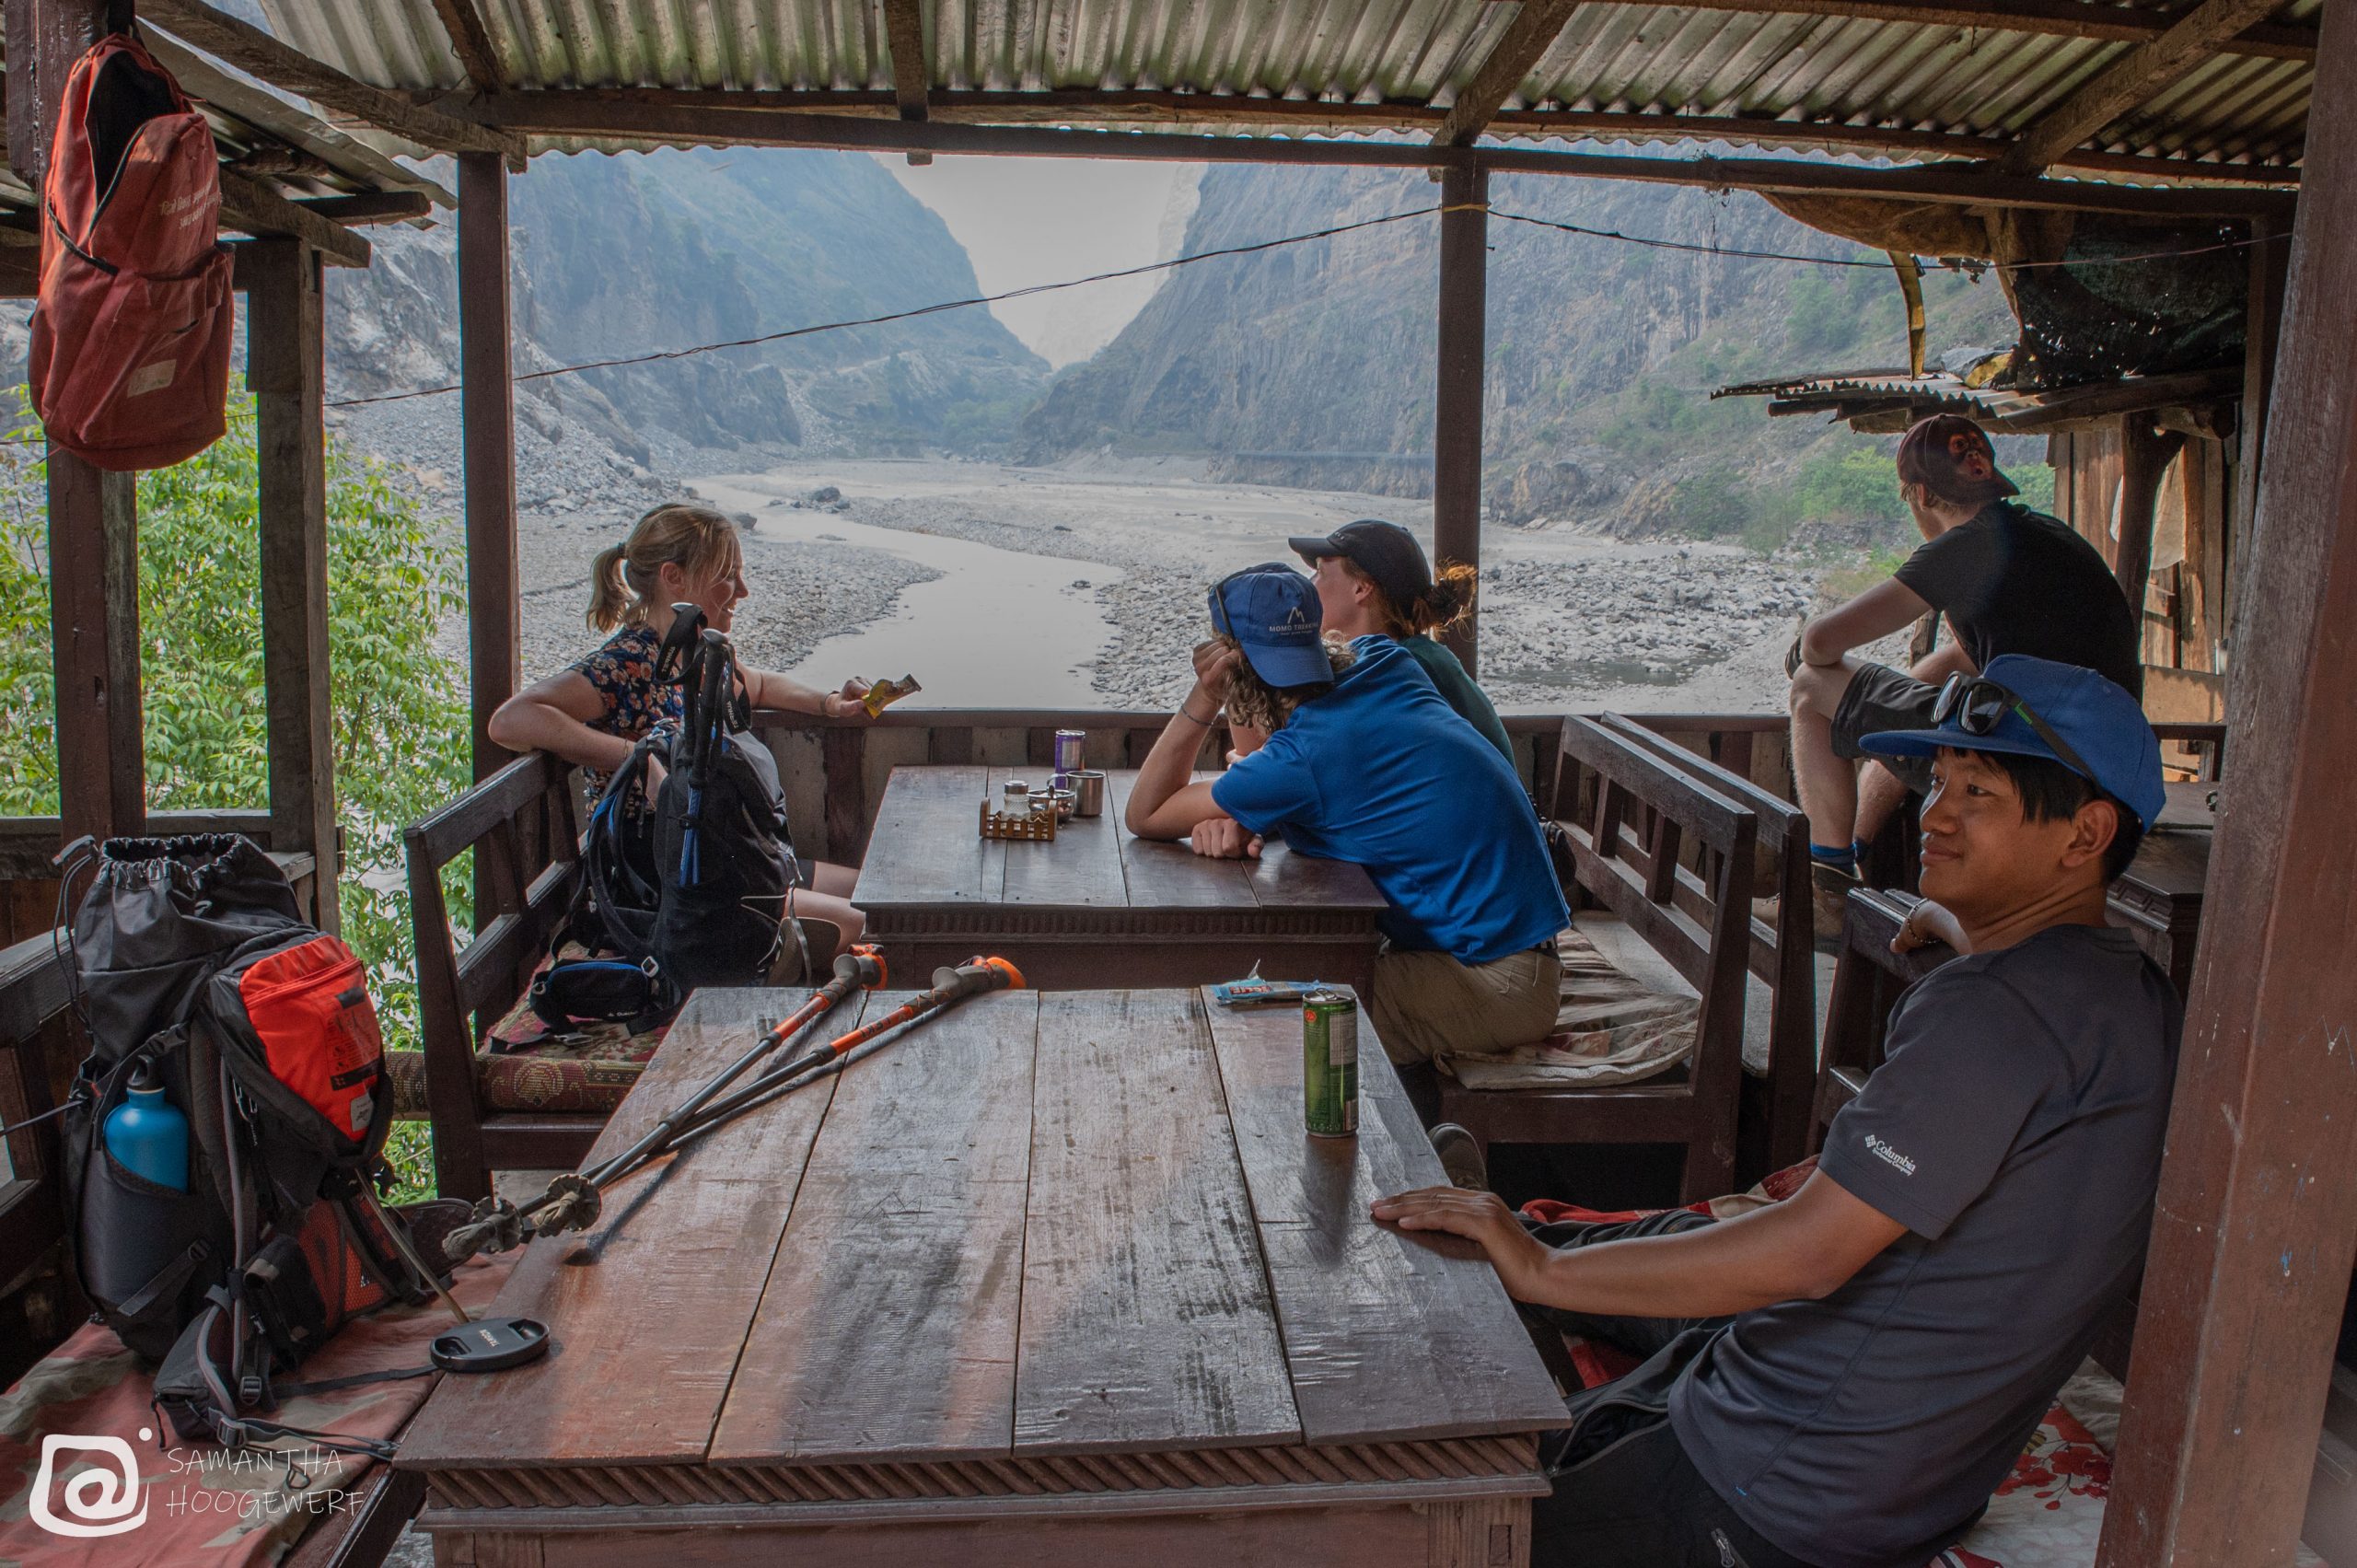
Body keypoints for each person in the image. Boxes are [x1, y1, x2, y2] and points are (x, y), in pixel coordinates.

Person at [1375, 655, 2175, 1568]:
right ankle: (1520, 1247)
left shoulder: (1992, 1015)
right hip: (1897, 1470)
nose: (1934, 813)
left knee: (1430, 1531)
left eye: (1979, 792)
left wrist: (1539, 1270)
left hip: (1778, 1482)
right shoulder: (2127, 993)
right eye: (1940, 782)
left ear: (2084, 833)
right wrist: (1957, 925)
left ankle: (1523, 1255)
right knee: (1614, 1316)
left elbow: (1810, 1252)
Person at [1123, 563, 1568, 1104]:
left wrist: (1206, 694)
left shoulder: (1305, 757)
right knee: (1281, 987)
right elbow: (1282, 766)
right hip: (1514, 953)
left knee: (1264, 1027)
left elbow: (1146, 813)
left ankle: (1409, 1148)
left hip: (1499, 983)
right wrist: (1254, 808)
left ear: (1232, 662)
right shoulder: (1384, 661)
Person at [1785, 414, 2139, 937]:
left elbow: (1820, 643)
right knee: (1942, 668)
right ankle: (1856, 852)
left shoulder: (1964, 546)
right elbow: (1969, 659)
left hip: (2029, 762)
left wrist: (1801, 654)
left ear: (1920, 495)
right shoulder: (2046, 534)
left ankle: (1826, 889)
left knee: (1810, 687)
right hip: (2101, 766)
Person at [487, 502, 873, 953]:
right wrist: (638, 756)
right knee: (865, 924)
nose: (743, 591)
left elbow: (760, 684)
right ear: (674, 577)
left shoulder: (700, 653)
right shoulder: (630, 661)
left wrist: (831, 704)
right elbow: (510, 720)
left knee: (878, 892)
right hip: (666, 881)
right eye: (728, 575)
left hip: (729, 858)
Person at [1287, 518, 1512, 762]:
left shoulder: (1402, 671)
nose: (1310, 585)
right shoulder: (1412, 658)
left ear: (1362, 588)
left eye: (1320, 572)